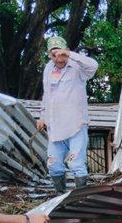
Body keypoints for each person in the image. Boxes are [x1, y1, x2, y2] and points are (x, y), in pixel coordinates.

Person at [37, 36, 98, 193]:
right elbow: (46, 95)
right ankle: (60, 197)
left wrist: (70, 55)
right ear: (49, 54)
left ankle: (81, 199)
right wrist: (42, 116)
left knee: (75, 162)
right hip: (55, 127)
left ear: (67, 52)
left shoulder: (77, 68)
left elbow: (93, 66)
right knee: (53, 164)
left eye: (61, 54)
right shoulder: (48, 69)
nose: (59, 58)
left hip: (75, 125)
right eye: (54, 54)